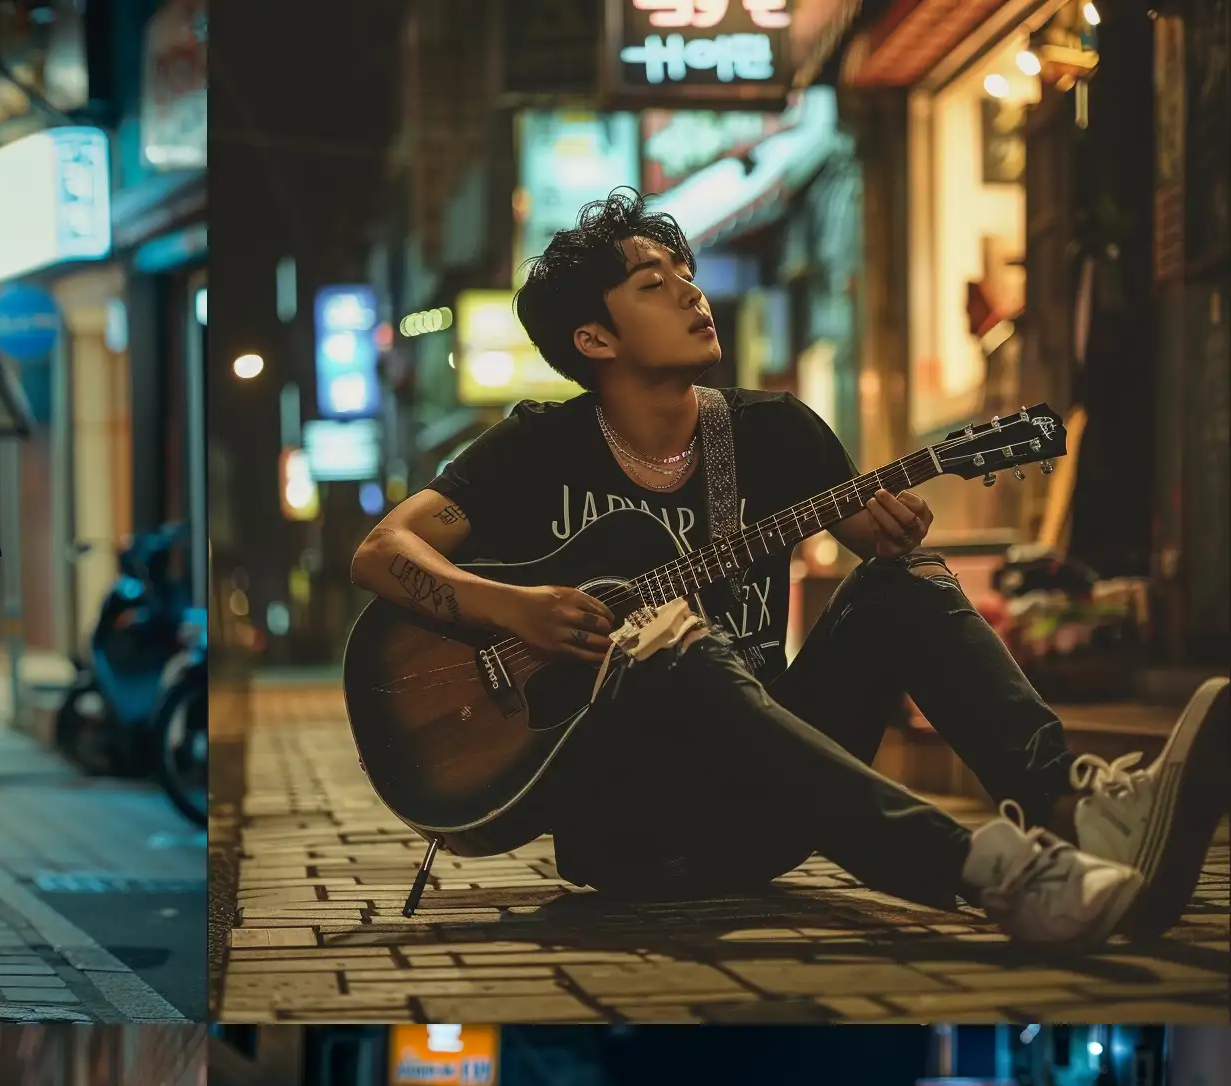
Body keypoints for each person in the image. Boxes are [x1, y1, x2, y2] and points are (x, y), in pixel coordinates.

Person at [350, 187, 1227, 951]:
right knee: (669, 643)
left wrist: (891, 531)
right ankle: (988, 870)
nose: (692, 294)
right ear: (593, 338)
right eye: (654, 286)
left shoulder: (774, 432)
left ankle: (1080, 811)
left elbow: (883, 563)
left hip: (765, 806)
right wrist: (509, 609)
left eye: (686, 274)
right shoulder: (536, 448)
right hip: (630, 831)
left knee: (904, 584)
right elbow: (381, 552)